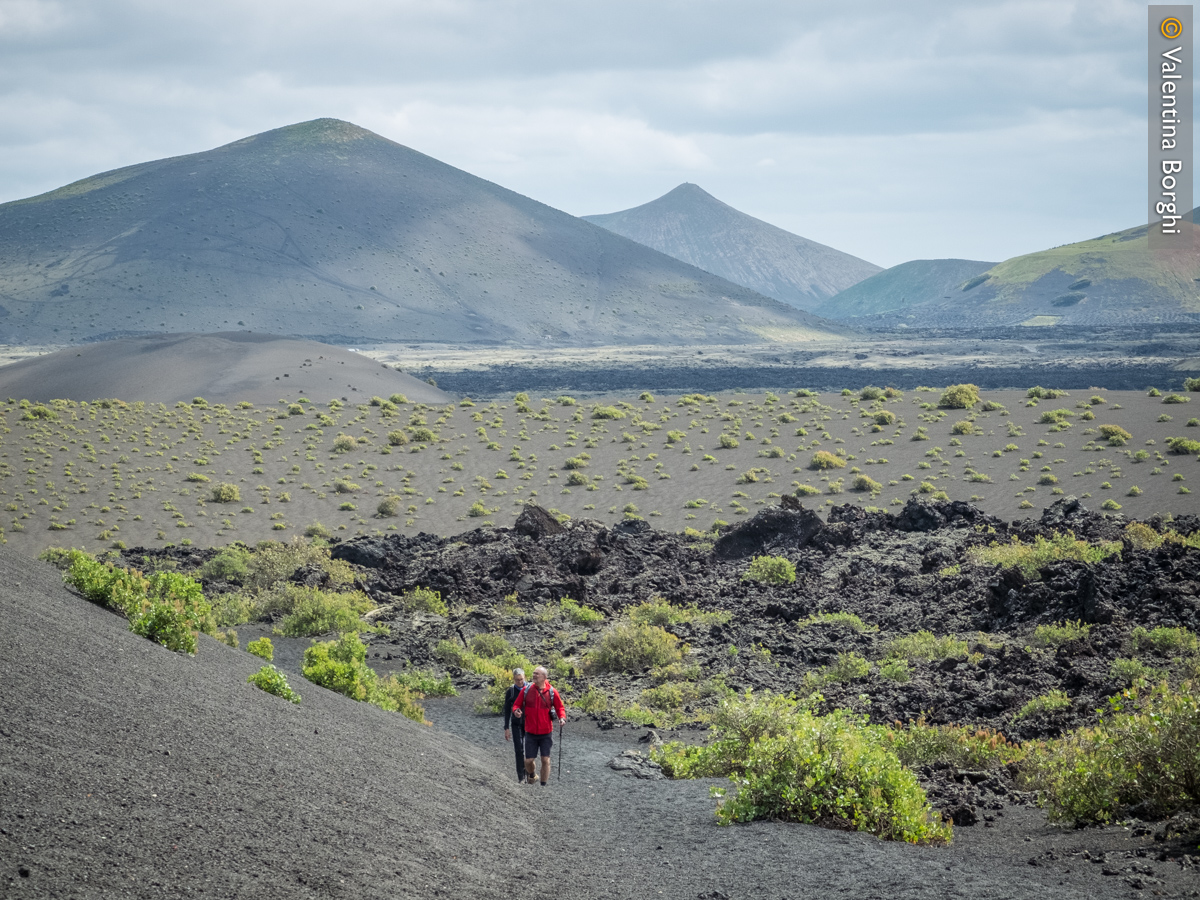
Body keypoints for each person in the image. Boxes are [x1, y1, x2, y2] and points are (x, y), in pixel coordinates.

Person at [511, 665, 566, 785]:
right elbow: (516, 704)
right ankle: (532, 775)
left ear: (544, 677)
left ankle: (543, 785)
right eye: (534, 673)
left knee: (545, 760)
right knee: (528, 761)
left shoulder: (552, 692)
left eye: (537, 674)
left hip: (546, 732)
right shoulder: (527, 690)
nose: (534, 675)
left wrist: (562, 718)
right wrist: (516, 711)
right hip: (530, 732)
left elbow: (559, 707)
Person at [501, 668, 527, 783]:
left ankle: (529, 772)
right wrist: (506, 728)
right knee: (518, 749)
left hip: (529, 724)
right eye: (517, 680)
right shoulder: (511, 691)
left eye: (521, 679)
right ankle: (521, 776)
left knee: (529, 750)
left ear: (524, 678)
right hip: (516, 724)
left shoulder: (530, 689)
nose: (520, 682)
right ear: (514, 679)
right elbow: (507, 710)